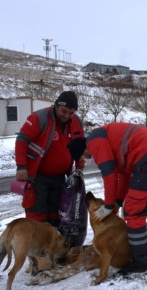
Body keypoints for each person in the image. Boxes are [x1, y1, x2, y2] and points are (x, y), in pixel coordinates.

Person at [84, 122, 147, 274]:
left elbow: (109, 174)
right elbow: (124, 174)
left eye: (83, 157)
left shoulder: (94, 142)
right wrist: (118, 201)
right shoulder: (108, 136)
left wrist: (109, 205)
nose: (87, 160)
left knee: (134, 211)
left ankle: (140, 263)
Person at [15, 90, 86, 227]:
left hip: (60, 177)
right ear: (56, 105)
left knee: (57, 213)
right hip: (37, 176)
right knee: (36, 213)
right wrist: (21, 166)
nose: (66, 116)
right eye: (63, 111)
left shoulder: (76, 122)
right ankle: (36, 244)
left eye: (71, 113)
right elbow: (21, 140)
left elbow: (80, 146)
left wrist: (79, 167)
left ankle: (52, 244)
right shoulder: (39, 118)